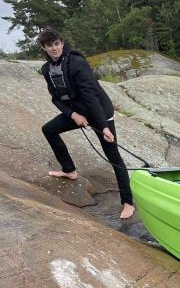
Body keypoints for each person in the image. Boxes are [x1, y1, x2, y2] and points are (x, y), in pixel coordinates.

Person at [37, 27, 135, 220]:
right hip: (78, 112)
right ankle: (69, 170)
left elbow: (91, 96)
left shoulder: (76, 62)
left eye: (57, 43)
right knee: (49, 130)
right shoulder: (47, 70)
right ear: (44, 48)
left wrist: (104, 126)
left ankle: (128, 202)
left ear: (62, 43)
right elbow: (56, 99)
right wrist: (73, 114)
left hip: (100, 111)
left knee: (112, 155)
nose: (55, 48)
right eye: (50, 45)